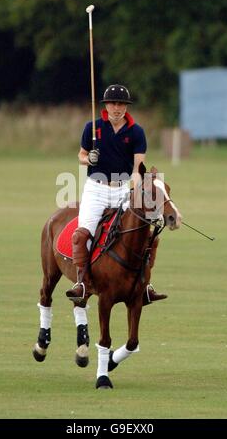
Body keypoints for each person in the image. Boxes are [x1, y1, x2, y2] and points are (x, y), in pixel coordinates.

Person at [66, 84, 167, 305]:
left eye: (121, 104)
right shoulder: (92, 128)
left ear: (126, 107)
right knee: (83, 235)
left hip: (122, 189)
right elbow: (81, 155)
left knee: (145, 235)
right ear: (106, 105)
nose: (117, 108)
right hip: (96, 189)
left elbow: (139, 165)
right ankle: (81, 282)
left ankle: (145, 284)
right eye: (113, 103)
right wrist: (88, 159)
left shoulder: (136, 132)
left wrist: (136, 185)